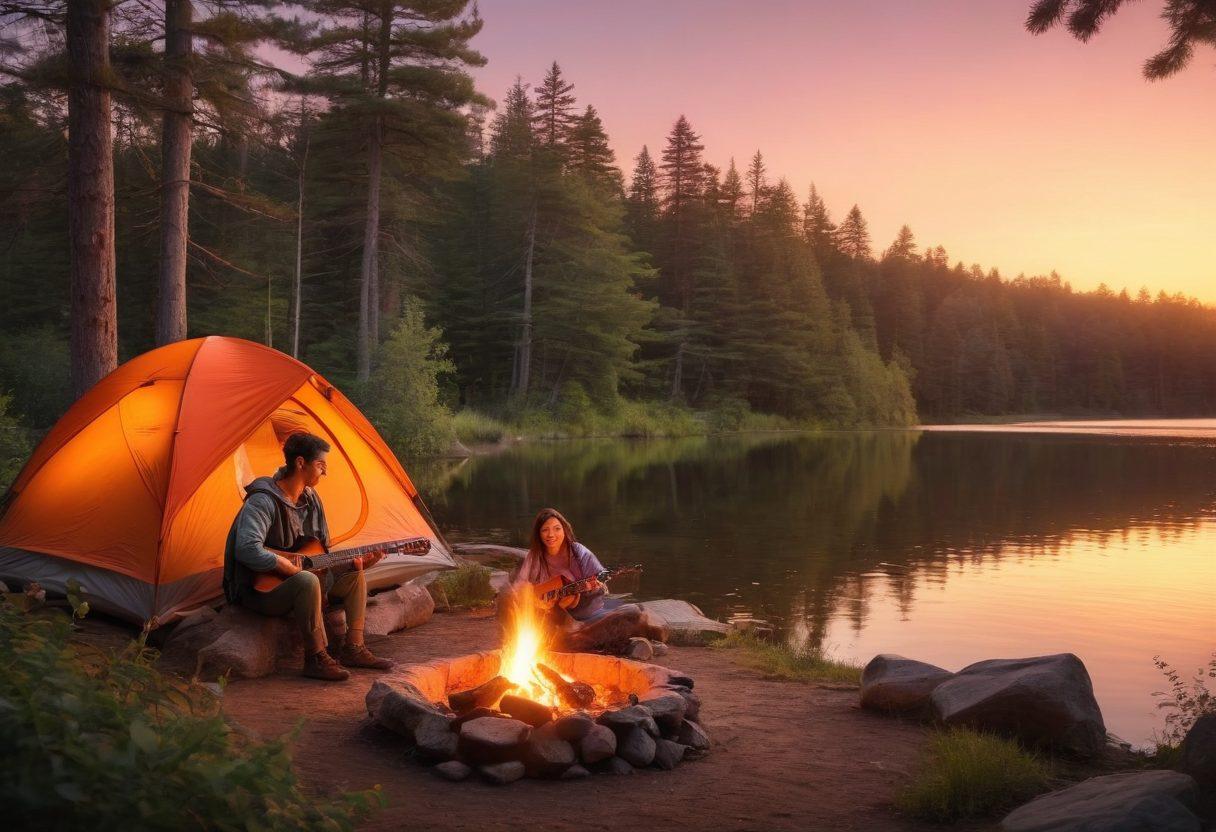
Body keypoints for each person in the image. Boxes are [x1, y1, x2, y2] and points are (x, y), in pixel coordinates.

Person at [222, 432, 393, 681]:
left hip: (303, 584)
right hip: (259, 590)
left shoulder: (312, 500)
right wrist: (285, 565)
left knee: (354, 574)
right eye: (321, 465)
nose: (324, 472)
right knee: (306, 580)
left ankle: (353, 648)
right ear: (301, 463)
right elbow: (246, 548)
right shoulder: (262, 500)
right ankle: (315, 658)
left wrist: (353, 564)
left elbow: (318, 555)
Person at [508, 507, 667, 651]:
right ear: (539, 534)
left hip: (587, 615)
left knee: (630, 613)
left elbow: (600, 581)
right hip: (550, 619)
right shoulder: (534, 557)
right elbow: (520, 589)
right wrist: (536, 601)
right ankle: (627, 645)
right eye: (545, 530)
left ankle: (630, 641)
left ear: (564, 529)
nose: (551, 535)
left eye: (557, 529)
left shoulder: (579, 552)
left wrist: (590, 587)